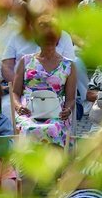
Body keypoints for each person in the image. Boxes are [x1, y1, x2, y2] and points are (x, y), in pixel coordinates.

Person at [10, 14, 77, 147]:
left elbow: (71, 98)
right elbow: (15, 92)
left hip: (56, 113)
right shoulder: (25, 61)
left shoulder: (69, 65)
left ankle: (55, 159)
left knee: (53, 128)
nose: (48, 42)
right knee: (28, 128)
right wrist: (18, 107)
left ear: (57, 39)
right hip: (29, 112)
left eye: (51, 38)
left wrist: (68, 110)